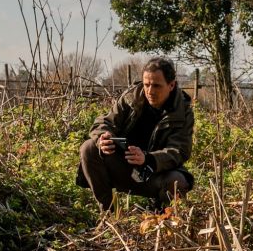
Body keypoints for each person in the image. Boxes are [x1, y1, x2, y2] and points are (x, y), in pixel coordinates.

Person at [77, 57, 194, 211]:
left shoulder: (183, 112)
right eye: (146, 85)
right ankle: (108, 213)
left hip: (155, 174)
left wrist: (149, 159)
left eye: (157, 86)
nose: (150, 91)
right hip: (122, 167)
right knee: (89, 147)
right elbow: (104, 122)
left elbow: (179, 151)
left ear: (171, 85)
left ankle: (163, 217)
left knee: (176, 180)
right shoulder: (131, 98)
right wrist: (103, 137)